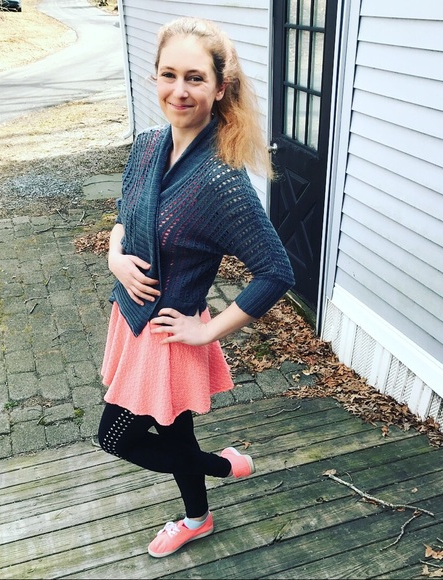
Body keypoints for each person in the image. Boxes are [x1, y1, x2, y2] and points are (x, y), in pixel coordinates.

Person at [97, 16, 295, 558]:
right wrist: (115, 256)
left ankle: (218, 472)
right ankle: (199, 515)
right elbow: (125, 214)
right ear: (156, 77)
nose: (179, 90)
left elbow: (276, 271)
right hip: (131, 319)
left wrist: (207, 332)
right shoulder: (147, 145)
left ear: (219, 88)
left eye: (195, 78)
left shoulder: (220, 179)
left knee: (115, 437)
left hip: (168, 337)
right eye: (169, 75)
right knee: (175, 433)